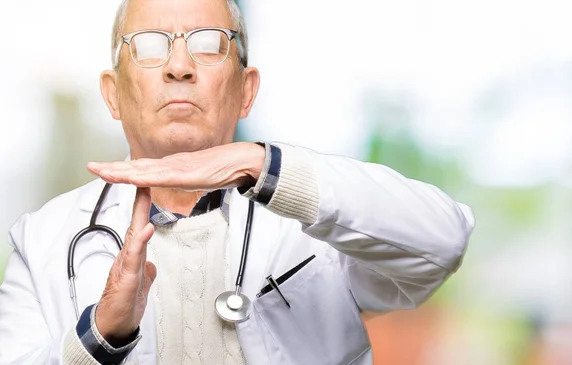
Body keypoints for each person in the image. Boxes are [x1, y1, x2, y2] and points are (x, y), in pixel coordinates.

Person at [0, 0, 475, 364]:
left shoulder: (313, 219)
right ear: (113, 95)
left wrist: (262, 167)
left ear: (246, 90)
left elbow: (444, 242)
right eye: (148, 45)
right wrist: (102, 335)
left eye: (208, 43)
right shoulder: (41, 239)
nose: (179, 66)